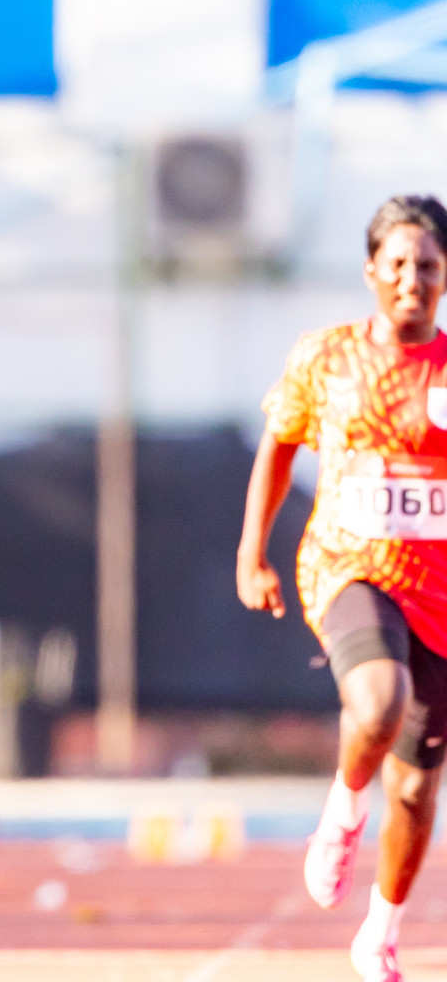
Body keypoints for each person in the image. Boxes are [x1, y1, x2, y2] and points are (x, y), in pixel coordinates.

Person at [238, 194, 447, 982]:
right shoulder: (323, 356)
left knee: (420, 789)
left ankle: (382, 933)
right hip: (348, 567)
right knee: (379, 702)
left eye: (426, 266)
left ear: (445, 276)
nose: (411, 279)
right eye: (396, 264)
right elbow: (279, 445)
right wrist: (251, 552)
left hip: (439, 590)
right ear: (371, 271)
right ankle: (343, 805)